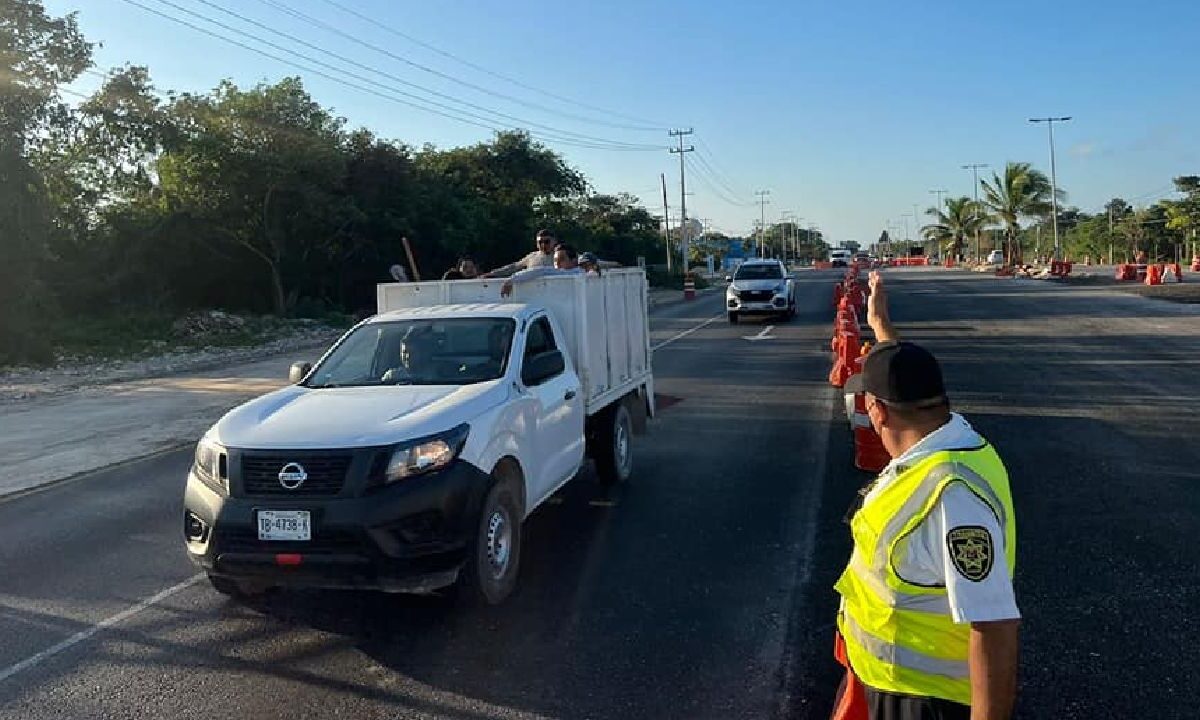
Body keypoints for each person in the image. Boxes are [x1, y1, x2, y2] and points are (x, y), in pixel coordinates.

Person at [831, 271, 1019, 720]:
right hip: (885, 679)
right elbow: (902, 375)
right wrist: (881, 326)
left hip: (923, 701)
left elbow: (994, 624)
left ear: (874, 410)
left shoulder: (952, 494)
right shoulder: (948, 435)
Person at [500, 243, 582, 297]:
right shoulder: (584, 274)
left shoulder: (572, 273)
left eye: (561, 259)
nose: (557, 264)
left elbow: (541, 271)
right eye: (555, 260)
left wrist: (511, 280)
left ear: (574, 260)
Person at [481, 229, 557, 278]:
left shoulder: (561, 256)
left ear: (554, 241)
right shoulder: (532, 257)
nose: (543, 245)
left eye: (547, 242)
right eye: (540, 242)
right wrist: (492, 274)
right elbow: (513, 267)